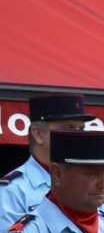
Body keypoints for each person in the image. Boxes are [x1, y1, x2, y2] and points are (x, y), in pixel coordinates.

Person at [0, 94, 92, 224]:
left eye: (81, 129)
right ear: (38, 134)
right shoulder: (13, 190)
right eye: (68, 128)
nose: (77, 136)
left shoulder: (88, 183)